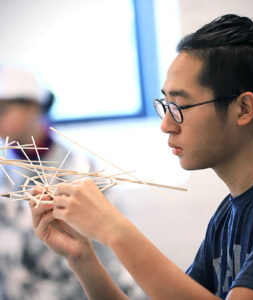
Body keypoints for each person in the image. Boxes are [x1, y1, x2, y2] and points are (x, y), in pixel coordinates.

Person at [29, 14, 253, 300]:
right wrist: (82, 257)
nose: (166, 124)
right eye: (165, 105)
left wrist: (114, 228)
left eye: (179, 105)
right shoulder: (227, 215)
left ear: (243, 108)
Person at [0, 66, 147, 300]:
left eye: (4, 109)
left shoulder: (80, 169)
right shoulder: (4, 173)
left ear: (33, 107)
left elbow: (112, 245)